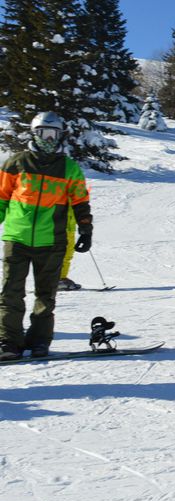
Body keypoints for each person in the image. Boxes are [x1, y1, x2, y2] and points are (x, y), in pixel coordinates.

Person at [0, 112, 93, 359]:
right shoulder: (16, 163)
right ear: (34, 133)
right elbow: (1, 198)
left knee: (45, 294)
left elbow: (80, 201)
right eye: (43, 133)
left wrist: (85, 228)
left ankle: (40, 341)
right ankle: (9, 342)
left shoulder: (68, 168)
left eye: (53, 134)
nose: (48, 139)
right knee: (11, 292)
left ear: (61, 135)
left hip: (52, 240)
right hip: (16, 239)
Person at [57, 207, 81, 291]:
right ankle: (57, 279)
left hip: (70, 227)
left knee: (68, 253)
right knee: (60, 254)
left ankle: (61, 277)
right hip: (59, 227)